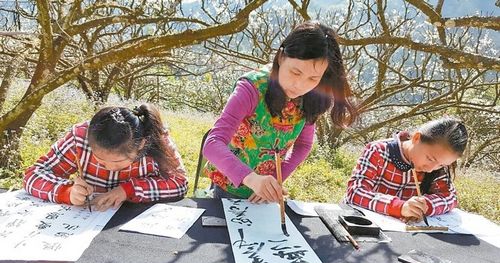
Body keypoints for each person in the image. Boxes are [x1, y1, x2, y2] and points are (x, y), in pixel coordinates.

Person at [203, 21, 356, 203]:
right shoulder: (252, 88)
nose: (300, 85)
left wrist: (275, 180)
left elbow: (304, 145)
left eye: (313, 78)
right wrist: (253, 179)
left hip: (263, 195)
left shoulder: (312, 96)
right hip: (227, 186)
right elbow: (212, 144)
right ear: (281, 57)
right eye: (295, 72)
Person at [24, 104, 187, 211]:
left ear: (141, 145)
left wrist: (128, 190)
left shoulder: (156, 140)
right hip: (87, 220)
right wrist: (66, 192)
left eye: (118, 162)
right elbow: (33, 175)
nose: (108, 167)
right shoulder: (80, 137)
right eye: (99, 160)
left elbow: (179, 183)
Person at [344, 117, 468, 221]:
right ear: (416, 138)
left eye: (441, 165)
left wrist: (425, 205)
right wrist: (399, 207)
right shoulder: (378, 151)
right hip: (358, 223)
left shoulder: (436, 167)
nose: (431, 169)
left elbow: (450, 197)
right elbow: (355, 192)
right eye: (430, 158)